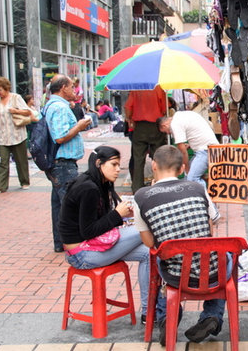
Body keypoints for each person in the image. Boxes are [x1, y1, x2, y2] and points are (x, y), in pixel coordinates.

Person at [60, 145, 164, 325]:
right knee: (145, 230)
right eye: (114, 165)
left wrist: (122, 215)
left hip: (92, 246)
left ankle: (149, 313)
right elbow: (88, 231)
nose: (118, 170)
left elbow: (98, 223)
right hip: (82, 253)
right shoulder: (88, 188)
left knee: (148, 253)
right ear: (99, 163)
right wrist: (117, 214)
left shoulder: (97, 183)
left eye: (118, 165)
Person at [134, 145, 221, 345]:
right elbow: (213, 222)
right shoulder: (198, 188)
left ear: (154, 166)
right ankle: (212, 316)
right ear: (182, 168)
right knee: (226, 258)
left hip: (175, 277)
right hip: (211, 274)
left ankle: (166, 317)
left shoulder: (141, 196)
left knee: (159, 258)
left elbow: (149, 243)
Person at [45, 74, 91, 252]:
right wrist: (79, 126)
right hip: (63, 163)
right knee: (70, 203)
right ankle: (73, 243)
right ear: (63, 88)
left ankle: (61, 242)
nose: (75, 91)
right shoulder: (59, 108)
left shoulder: (53, 106)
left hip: (59, 162)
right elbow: (60, 137)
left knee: (59, 203)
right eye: (72, 87)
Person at [0, 77, 32, 193]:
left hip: (17, 134)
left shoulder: (16, 98)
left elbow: (28, 112)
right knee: (3, 161)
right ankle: (1, 186)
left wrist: (16, 111)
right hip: (3, 135)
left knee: (21, 160)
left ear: (6, 88)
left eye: (0, 90)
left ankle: (24, 181)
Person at [157, 111, 219, 188]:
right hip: (209, 147)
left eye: (165, 132)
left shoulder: (174, 124)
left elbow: (183, 152)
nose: (168, 133)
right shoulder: (180, 115)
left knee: (192, 179)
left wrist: (186, 169)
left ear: (164, 125)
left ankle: (204, 196)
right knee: (188, 177)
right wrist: (191, 144)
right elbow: (198, 131)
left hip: (205, 150)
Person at [125, 88, 167, 193]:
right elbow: (164, 108)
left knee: (138, 158)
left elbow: (128, 107)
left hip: (139, 126)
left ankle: (137, 188)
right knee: (158, 157)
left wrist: (129, 119)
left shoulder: (136, 89)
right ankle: (160, 183)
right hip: (156, 125)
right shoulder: (159, 88)